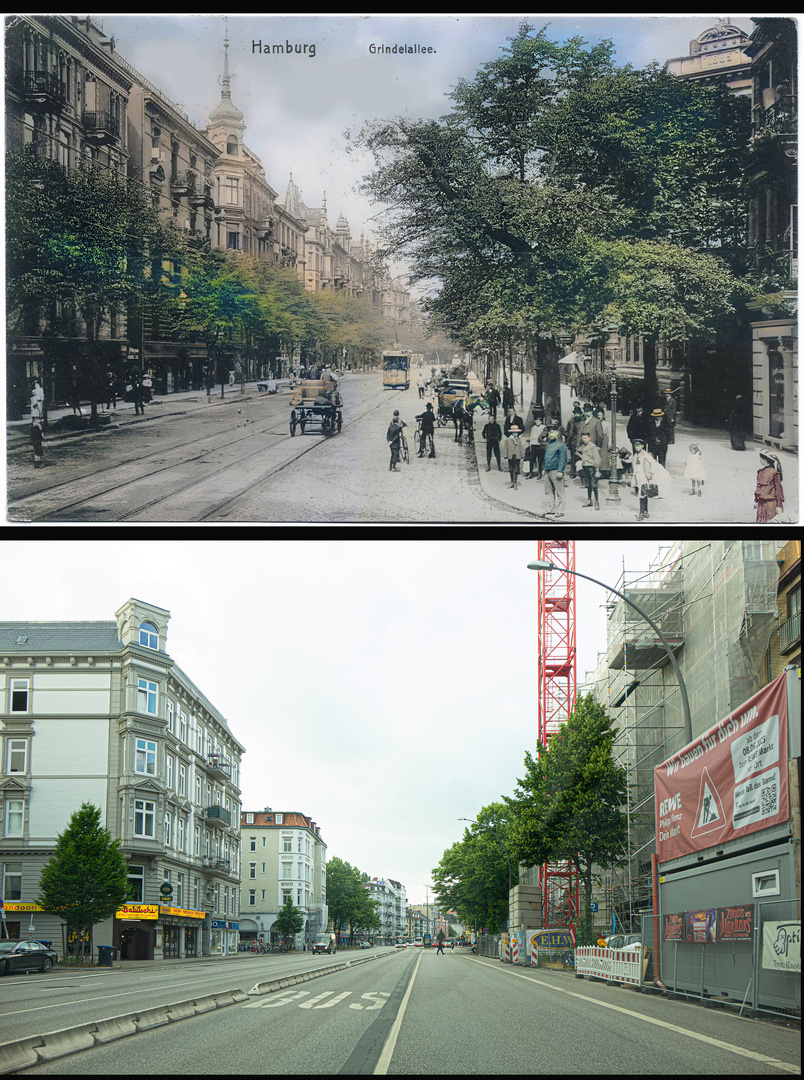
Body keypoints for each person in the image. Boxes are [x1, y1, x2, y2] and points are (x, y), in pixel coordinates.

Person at [543, 426, 568, 519]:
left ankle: (561, 510)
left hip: (556, 470)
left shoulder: (560, 445)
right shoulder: (548, 444)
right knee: (548, 491)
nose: (551, 434)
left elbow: (563, 458)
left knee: (560, 491)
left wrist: (561, 471)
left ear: (557, 434)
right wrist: (544, 469)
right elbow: (546, 457)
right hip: (548, 470)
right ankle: (551, 508)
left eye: (553, 432)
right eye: (549, 432)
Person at [754, 450, 784, 522]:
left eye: (761, 458)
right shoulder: (760, 472)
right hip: (761, 503)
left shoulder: (774, 472)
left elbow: (778, 490)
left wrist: (779, 506)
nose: (760, 460)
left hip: (771, 504)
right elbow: (758, 487)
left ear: (765, 459)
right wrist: (756, 500)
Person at [576, 431, 601, 510]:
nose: (584, 439)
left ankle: (597, 502)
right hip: (585, 467)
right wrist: (582, 456)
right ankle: (589, 501)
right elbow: (577, 452)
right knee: (588, 485)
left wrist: (597, 470)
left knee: (594, 485)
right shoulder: (583, 446)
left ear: (589, 438)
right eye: (583, 438)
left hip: (592, 468)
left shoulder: (593, 447)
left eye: (585, 438)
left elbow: (597, 459)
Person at [501, 424, 525, 489]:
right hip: (510, 456)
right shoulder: (508, 440)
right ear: (512, 432)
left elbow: (521, 448)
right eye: (514, 432)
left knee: (516, 469)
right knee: (511, 469)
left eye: (517, 432)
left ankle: (515, 482)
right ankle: (512, 481)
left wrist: (522, 456)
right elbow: (505, 448)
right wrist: (505, 457)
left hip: (517, 456)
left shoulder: (518, 440)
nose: (515, 434)